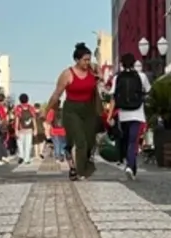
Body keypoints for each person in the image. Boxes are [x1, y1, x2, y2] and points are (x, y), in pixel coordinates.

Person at [46, 43, 100, 181]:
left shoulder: (93, 69)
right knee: (80, 141)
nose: (87, 62)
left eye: (89, 59)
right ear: (77, 60)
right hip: (72, 110)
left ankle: (78, 166)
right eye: (85, 60)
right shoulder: (67, 74)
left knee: (90, 142)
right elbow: (56, 94)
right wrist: (47, 110)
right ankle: (80, 171)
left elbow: (100, 81)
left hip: (89, 109)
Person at [108, 52, 151, 180]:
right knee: (133, 141)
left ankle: (131, 166)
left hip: (123, 114)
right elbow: (148, 90)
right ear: (134, 63)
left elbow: (113, 97)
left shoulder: (117, 78)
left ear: (121, 64)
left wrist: (110, 116)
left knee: (127, 141)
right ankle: (130, 167)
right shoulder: (141, 76)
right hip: (137, 113)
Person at [13, 94, 38, 164]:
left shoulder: (18, 108)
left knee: (20, 144)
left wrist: (16, 129)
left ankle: (21, 156)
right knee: (28, 145)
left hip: (21, 130)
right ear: (28, 99)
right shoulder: (31, 108)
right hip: (29, 130)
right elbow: (34, 119)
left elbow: (17, 119)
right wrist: (35, 129)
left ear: (20, 100)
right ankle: (27, 159)